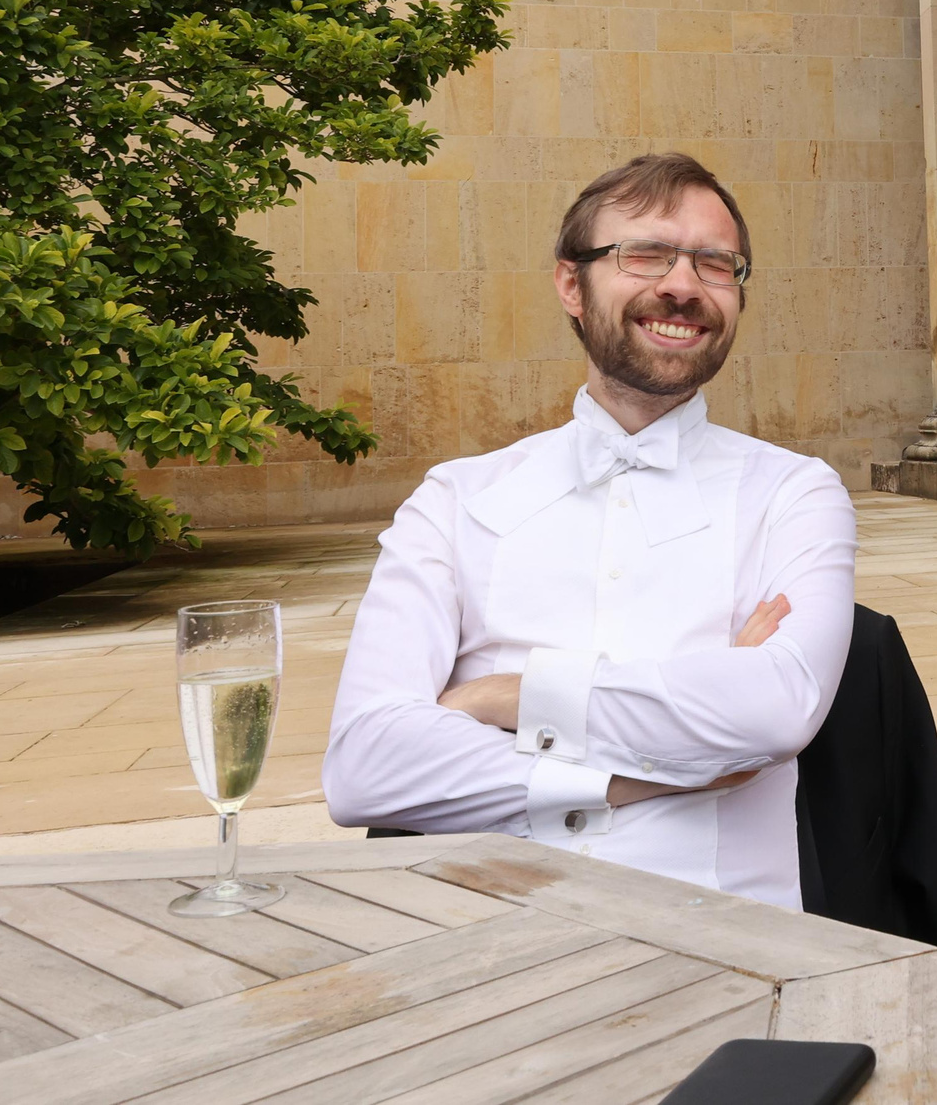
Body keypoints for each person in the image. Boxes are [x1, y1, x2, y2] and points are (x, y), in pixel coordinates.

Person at [325, 152, 854, 909]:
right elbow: (364, 766)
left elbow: (773, 709)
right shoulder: (454, 500)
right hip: (482, 948)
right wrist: (646, 769)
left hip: (725, 953)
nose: (682, 284)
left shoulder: (796, 493)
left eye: (715, 263)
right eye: (645, 254)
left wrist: (501, 697)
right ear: (571, 285)